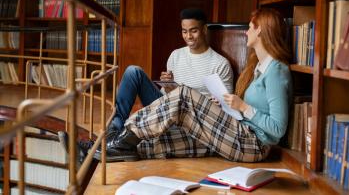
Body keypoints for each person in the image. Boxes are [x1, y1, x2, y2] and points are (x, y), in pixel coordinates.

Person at [96, 8, 293, 163]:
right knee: (159, 143)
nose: (247, 31)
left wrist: (242, 106)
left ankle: (120, 137)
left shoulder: (276, 70)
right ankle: (98, 149)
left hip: (253, 144)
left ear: (260, 30)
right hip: (235, 131)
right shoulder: (257, 68)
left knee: (184, 94)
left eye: (250, 27)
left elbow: (277, 129)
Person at [58, 8, 233, 160]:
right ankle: (111, 134)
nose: (188, 36)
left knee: (177, 98)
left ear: (204, 29)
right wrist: (167, 85)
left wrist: (189, 95)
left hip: (191, 118)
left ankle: (100, 145)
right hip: (167, 106)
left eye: (193, 31)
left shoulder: (220, 64)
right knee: (133, 71)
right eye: (184, 31)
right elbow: (167, 95)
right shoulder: (176, 55)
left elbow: (224, 111)